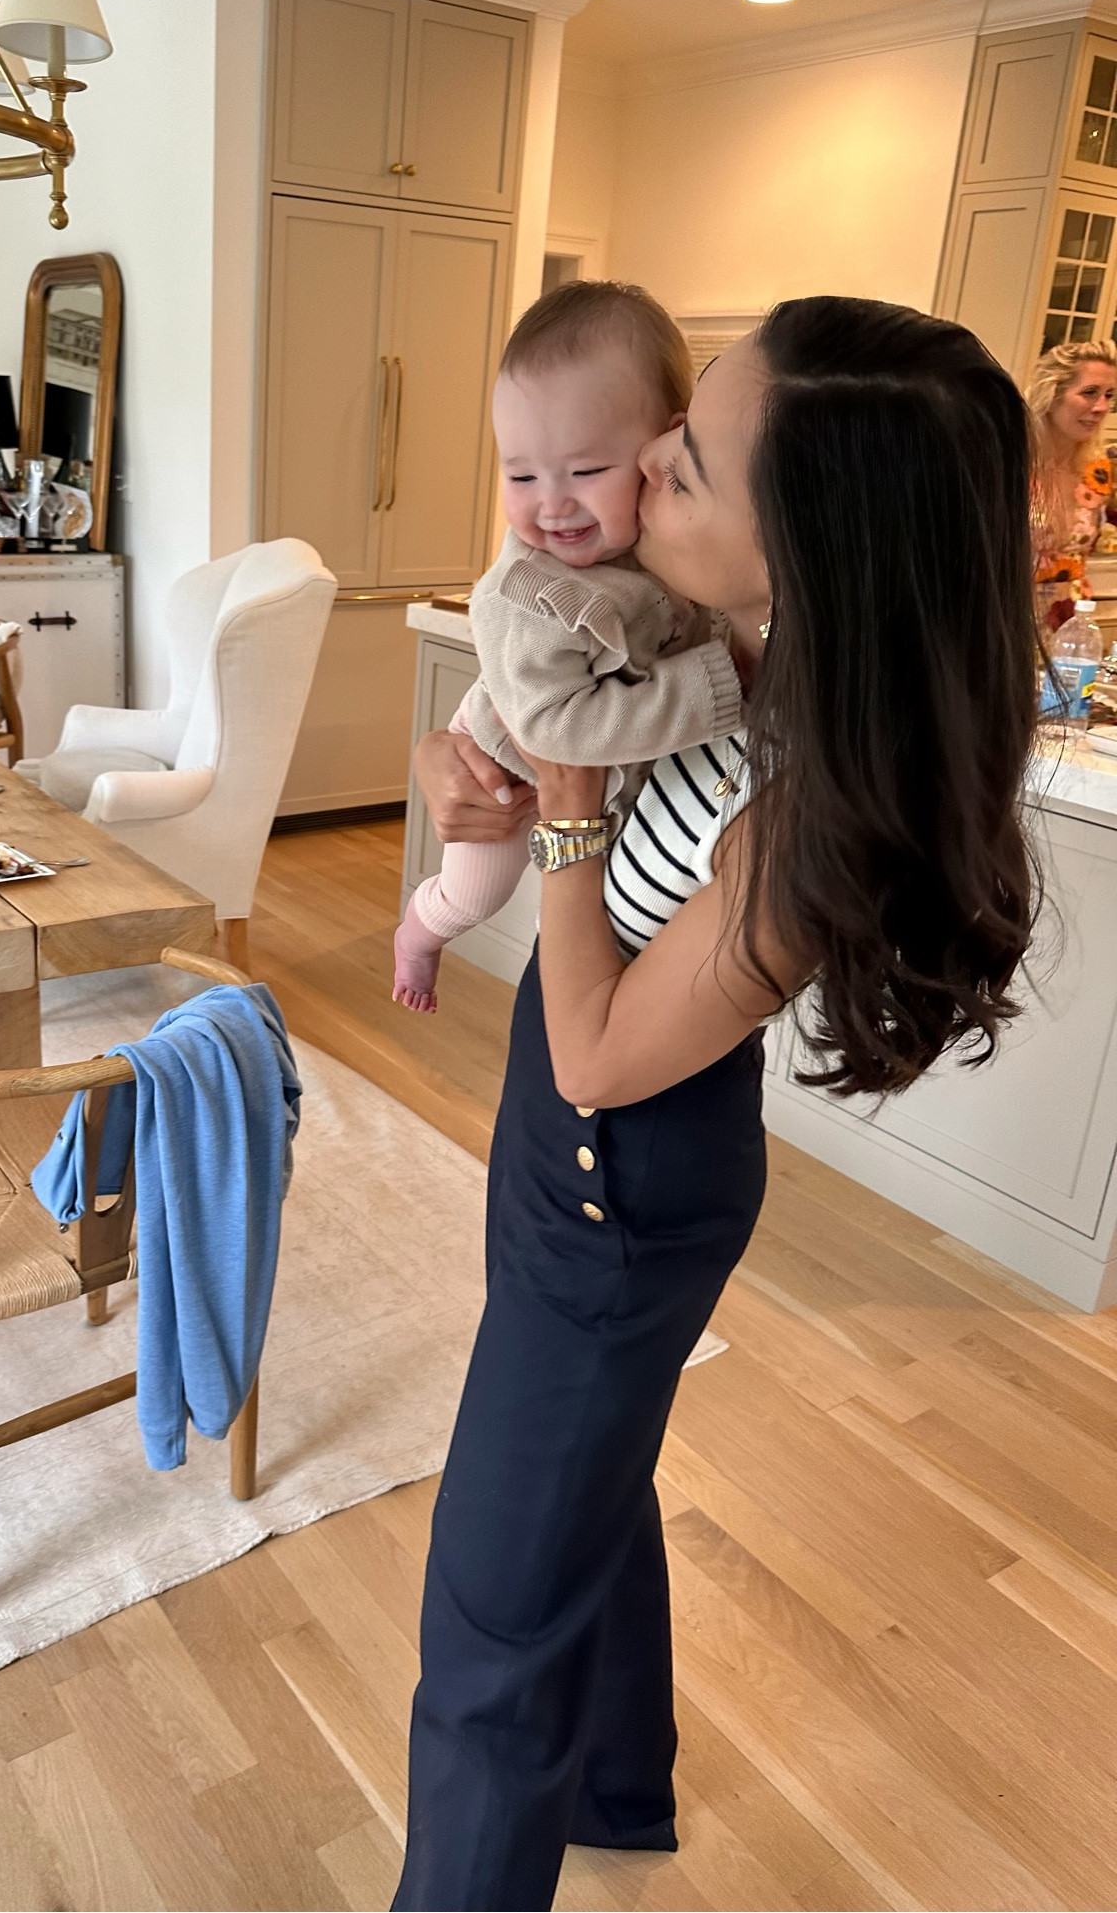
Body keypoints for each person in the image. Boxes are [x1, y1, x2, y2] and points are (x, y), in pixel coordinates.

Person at [392, 296, 1039, 1912]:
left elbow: (604, 1047)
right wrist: (461, 778)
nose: (633, 490)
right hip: (575, 1130)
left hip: (624, 1158)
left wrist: (559, 817)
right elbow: (512, 756)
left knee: (487, 1609)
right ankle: (617, 1785)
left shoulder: (814, 797)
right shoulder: (689, 633)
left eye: (679, 470)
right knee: (578, 1494)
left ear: (799, 552)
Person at [392, 282, 742, 1013]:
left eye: (586, 472)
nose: (550, 503)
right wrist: (720, 684)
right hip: (509, 759)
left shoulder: (666, 553)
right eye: (520, 474)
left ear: (662, 450)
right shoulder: (530, 591)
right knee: (475, 891)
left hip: (605, 814)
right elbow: (552, 729)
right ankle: (420, 933)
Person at [1026, 338, 1117, 630]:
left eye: (1109, 395)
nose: (1101, 407)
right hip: (1006, 618)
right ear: (1052, 393)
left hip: (1070, 624)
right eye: (1090, 393)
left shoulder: (1097, 470)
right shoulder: (1011, 465)